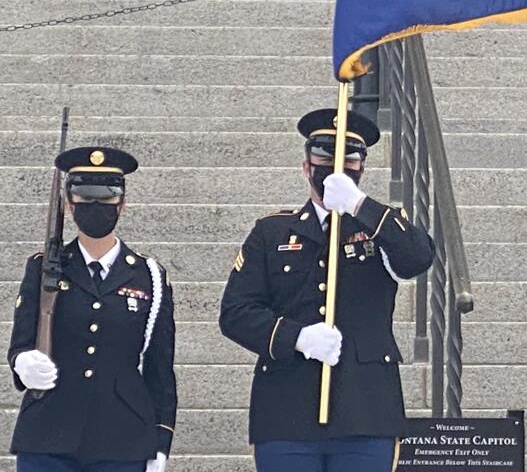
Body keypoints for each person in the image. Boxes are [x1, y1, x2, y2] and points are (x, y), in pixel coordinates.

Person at [219, 108, 434, 472]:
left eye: (349, 156)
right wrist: (296, 337)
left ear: (362, 167)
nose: (335, 164)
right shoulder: (272, 233)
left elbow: (417, 257)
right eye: (323, 155)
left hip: (365, 408)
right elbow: (236, 313)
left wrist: (359, 205)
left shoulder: (379, 227)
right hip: (287, 409)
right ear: (306, 166)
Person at [8, 146, 176, 472]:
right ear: (70, 205)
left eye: (107, 197)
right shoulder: (43, 269)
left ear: (122, 204)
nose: (95, 207)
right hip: (47, 436)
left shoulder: (150, 276)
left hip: (123, 440)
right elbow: (21, 343)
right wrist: (22, 363)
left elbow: (160, 371)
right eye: (85, 198)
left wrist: (159, 443)